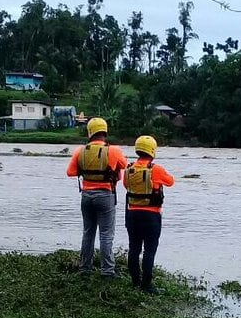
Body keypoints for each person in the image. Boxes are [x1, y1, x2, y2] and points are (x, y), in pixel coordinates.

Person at [66, 117, 127, 277]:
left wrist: (85, 169)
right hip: (105, 195)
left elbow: (70, 172)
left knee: (88, 232)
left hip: (86, 196)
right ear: (104, 132)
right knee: (106, 234)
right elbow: (124, 165)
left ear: (90, 132)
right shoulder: (113, 150)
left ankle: (85, 268)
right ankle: (107, 271)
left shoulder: (81, 151)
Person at [123, 135, 175, 294]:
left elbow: (126, 185)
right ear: (152, 150)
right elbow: (171, 181)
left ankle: (135, 282)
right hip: (151, 217)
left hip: (132, 215)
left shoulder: (128, 168)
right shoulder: (156, 169)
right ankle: (147, 285)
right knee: (149, 250)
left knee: (134, 248)